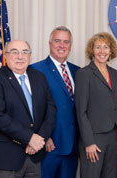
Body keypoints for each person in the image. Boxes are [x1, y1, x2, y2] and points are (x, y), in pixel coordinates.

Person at [0, 40, 57, 178]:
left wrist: (39, 139)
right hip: (4, 159)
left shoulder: (39, 77)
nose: (20, 56)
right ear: (5, 55)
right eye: (14, 52)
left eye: (25, 52)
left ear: (30, 56)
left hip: (34, 156)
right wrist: (29, 138)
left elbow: (51, 109)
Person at [31, 26, 80, 178]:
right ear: (50, 43)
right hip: (49, 145)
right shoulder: (36, 70)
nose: (62, 45)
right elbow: (33, 107)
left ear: (70, 46)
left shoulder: (78, 71)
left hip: (73, 145)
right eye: (57, 41)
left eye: (66, 42)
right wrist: (44, 136)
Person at [75, 32, 117, 178]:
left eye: (106, 47)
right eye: (98, 47)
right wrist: (88, 142)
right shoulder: (84, 74)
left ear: (111, 51)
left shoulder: (115, 74)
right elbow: (81, 111)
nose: (102, 51)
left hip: (114, 136)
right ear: (92, 50)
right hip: (94, 138)